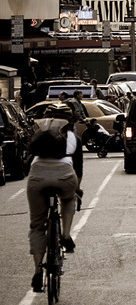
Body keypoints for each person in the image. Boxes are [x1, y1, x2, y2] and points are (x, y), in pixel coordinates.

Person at [26, 104, 83, 292]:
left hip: (38, 174)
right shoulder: (73, 137)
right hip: (65, 175)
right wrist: (78, 189)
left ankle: (37, 270)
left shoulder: (39, 131)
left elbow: (28, 155)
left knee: (37, 224)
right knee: (68, 198)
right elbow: (79, 169)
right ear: (70, 120)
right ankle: (66, 235)